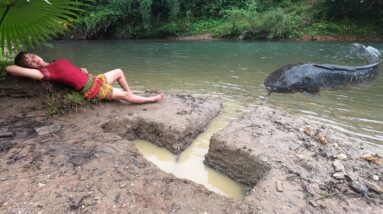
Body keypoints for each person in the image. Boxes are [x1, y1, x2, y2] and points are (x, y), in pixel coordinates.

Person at [5, 52, 164, 103]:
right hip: (91, 89)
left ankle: (131, 93)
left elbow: (69, 72)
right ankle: (150, 99)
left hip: (94, 79)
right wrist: (22, 68)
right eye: (29, 62)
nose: (34, 60)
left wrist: (82, 70)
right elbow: (9, 68)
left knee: (119, 71)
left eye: (32, 56)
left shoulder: (52, 64)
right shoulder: (43, 73)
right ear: (28, 68)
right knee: (125, 97)